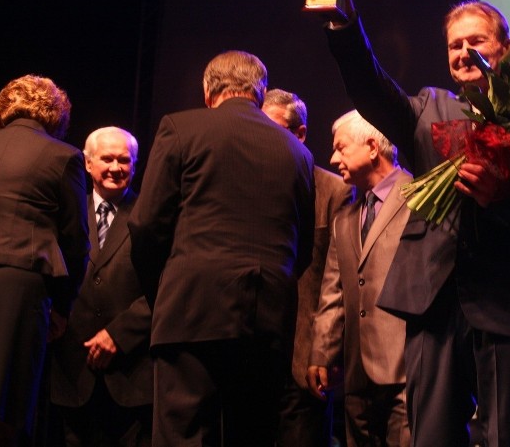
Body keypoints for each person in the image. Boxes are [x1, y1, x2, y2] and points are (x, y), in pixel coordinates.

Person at [311, 0, 510, 446]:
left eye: (475, 41)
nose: (463, 53)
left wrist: (499, 198)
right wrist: (344, 13)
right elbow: (368, 86)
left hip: (508, 306)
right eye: (454, 45)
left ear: (505, 47)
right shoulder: (427, 110)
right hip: (431, 305)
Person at [128, 51, 315, 446]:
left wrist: (161, 291)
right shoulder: (297, 152)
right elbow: (303, 248)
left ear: (207, 90)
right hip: (267, 322)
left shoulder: (181, 128)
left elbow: (146, 225)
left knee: (184, 436)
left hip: (191, 312)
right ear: (259, 91)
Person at [0, 75, 89, 446]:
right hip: (18, 292)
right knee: (5, 409)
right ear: (57, 115)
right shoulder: (63, 157)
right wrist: (63, 307)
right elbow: (76, 241)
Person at [306, 110, 412, 447]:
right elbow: (333, 292)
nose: (333, 157)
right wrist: (322, 352)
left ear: (371, 147)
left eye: (340, 148)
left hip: (406, 371)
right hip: (356, 376)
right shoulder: (346, 218)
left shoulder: (419, 197)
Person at [262, 89, 354, 447]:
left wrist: (325, 352)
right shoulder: (244, 187)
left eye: (274, 129)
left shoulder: (334, 191)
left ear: (299, 134)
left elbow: (338, 283)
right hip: (253, 360)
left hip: (305, 361)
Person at [51, 126, 152, 446]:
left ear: (135, 165)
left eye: (124, 160)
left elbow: (166, 286)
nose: (115, 167)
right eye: (107, 159)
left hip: (130, 371)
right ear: (88, 163)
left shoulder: (151, 218)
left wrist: (120, 334)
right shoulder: (63, 213)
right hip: (70, 370)